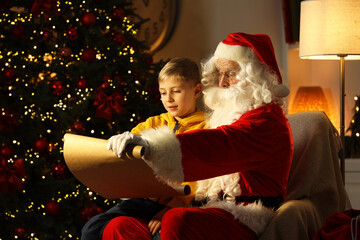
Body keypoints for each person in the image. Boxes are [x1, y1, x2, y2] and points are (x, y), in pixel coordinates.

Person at [106, 32, 294, 240]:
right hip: (208, 207)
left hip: (246, 214)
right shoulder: (226, 115)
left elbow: (220, 144)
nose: (221, 82)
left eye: (230, 73)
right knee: (120, 226)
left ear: (254, 76)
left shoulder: (267, 120)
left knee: (177, 219)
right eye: (219, 73)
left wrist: (153, 145)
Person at [81, 58, 206, 240]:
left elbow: (202, 177)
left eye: (176, 91)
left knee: (163, 234)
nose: (168, 99)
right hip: (144, 199)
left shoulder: (206, 127)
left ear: (196, 90)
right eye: (163, 93)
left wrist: (174, 206)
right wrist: (123, 141)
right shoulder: (154, 123)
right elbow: (130, 143)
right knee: (92, 229)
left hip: (180, 203)